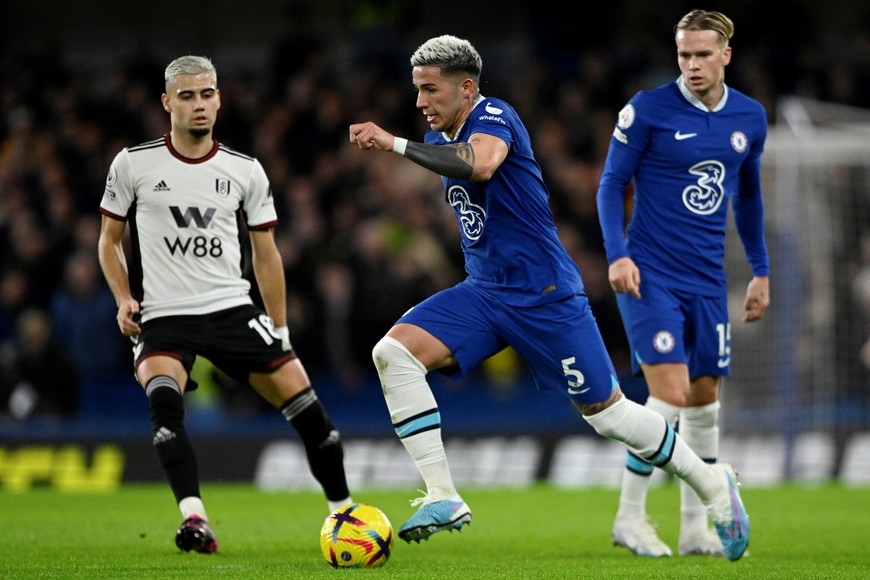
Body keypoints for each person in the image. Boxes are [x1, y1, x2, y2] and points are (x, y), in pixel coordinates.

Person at [349, 34, 750, 561]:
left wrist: (395, 144)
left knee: (607, 414)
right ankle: (444, 494)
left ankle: (712, 483)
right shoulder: (446, 133)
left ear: (466, 88)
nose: (421, 102)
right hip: (485, 292)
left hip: (544, 297)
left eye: (430, 90)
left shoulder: (494, 115)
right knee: (392, 352)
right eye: (417, 90)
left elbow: (482, 165)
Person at [97, 55, 352, 554]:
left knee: (315, 421)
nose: (199, 105)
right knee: (165, 409)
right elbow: (108, 242)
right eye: (187, 96)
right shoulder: (133, 163)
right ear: (167, 102)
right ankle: (195, 520)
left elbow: (266, 253)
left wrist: (278, 326)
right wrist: (125, 298)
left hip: (232, 309)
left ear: (219, 99)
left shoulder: (245, 171)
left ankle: (344, 515)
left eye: (207, 94)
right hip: (164, 316)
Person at [595, 10, 770, 558]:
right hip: (650, 276)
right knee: (668, 395)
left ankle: (695, 529)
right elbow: (610, 185)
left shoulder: (750, 117)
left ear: (725, 56)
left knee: (703, 401)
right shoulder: (648, 109)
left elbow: (748, 198)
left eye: (701, 55)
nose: (692, 65)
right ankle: (630, 517)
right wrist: (618, 256)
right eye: (683, 55)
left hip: (708, 281)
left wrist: (760, 270)